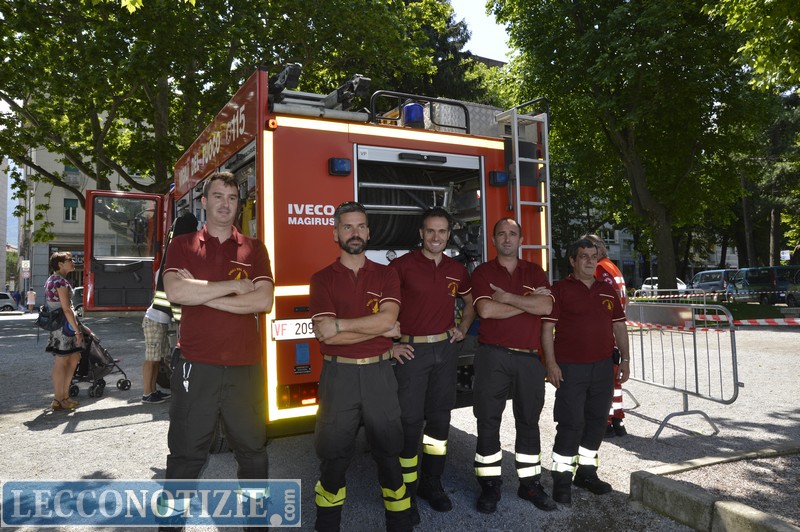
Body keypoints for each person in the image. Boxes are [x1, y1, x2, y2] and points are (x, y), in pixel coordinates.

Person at [161, 172, 274, 512]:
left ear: (239, 204)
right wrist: (234, 286)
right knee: (185, 454)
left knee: (253, 451)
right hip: (196, 366)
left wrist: (202, 293)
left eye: (232, 198)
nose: (225, 204)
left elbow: (262, 301)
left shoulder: (255, 248)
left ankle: (255, 520)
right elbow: (175, 291)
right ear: (204, 202)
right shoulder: (182, 245)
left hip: (245, 367)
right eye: (218, 196)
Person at [310, 201, 412, 532]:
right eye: (347, 227)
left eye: (361, 226)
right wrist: (379, 328)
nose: (355, 233)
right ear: (335, 233)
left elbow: (388, 319)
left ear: (368, 232)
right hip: (338, 377)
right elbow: (325, 333)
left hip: (379, 375)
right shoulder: (322, 279)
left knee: (389, 457)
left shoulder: (387, 274)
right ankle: (327, 525)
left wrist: (341, 326)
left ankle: (400, 525)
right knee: (333, 459)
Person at [389, 207, 476, 522]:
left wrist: (463, 327)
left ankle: (431, 483)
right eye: (430, 231)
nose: (436, 237)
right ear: (421, 234)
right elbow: (380, 308)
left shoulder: (457, 270)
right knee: (410, 424)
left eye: (441, 231)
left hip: (445, 351)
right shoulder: (401, 267)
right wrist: (390, 345)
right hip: (412, 353)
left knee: (439, 422)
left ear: (448, 235)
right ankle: (405, 492)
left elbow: (470, 303)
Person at [470, 218, 557, 514]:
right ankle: (489, 485)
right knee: (487, 420)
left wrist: (508, 298)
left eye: (512, 234)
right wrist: (527, 301)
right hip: (492, 356)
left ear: (520, 239)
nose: (507, 239)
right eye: (502, 234)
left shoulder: (535, 271)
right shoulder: (482, 272)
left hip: (529, 359)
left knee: (529, 422)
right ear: (493, 240)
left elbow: (546, 307)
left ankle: (530, 484)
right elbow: (485, 310)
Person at [541, 238, 630, 505]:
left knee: (597, 422)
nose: (590, 261)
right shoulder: (560, 290)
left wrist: (625, 360)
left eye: (593, 256)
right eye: (584, 256)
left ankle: (587, 474)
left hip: (602, 367)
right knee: (571, 423)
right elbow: (547, 329)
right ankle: (562, 480)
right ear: (572, 260)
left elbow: (619, 326)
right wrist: (551, 364)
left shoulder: (606, 290)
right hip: (570, 369)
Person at [141, 212, 198, 404]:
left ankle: (152, 391)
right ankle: (147, 393)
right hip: (154, 320)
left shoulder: (167, 262)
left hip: (158, 320)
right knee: (152, 359)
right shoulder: (174, 265)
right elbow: (174, 299)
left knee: (158, 359)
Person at [583, 233, 629, 437]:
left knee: (603, 382)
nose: (587, 257)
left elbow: (604, 300)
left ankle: (606, 422)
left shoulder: (600, 269)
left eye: (590, 251)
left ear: (599, 249)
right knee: (613, 381)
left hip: (605, 332)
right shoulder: (613, 267)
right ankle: (617, 419)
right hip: (614, 331)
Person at [44, 252, 83, 410]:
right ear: (60, 264)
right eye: (69, 260)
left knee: (73, 358)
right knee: (62, 361)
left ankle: (63, 397)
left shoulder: (52, 279)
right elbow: (67, 309)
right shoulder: (60, 281)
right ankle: (59, 398)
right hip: (64, 326)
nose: (73, 262)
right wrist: (77, 331)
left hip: (59, 325)